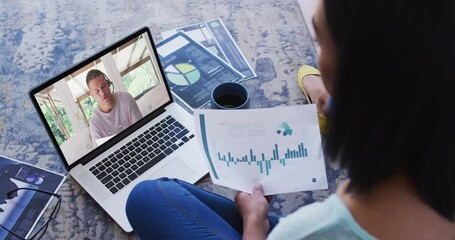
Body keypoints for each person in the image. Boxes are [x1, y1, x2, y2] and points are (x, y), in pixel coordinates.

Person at [125, 0, 455, 239]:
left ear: (358, 78)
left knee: (147, 198)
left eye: (319, 42)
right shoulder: (424, 115)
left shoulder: (310, 230)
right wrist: (321, 87)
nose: (317, 57)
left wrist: (255, 224)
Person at [86, 69, 143, 146]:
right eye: (97, 91)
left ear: (108, 83)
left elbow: (142, 128)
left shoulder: (126, 98)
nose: (102, 93)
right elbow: (101, 154)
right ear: (92, 95)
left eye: (103, 86)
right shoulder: (94, 124)